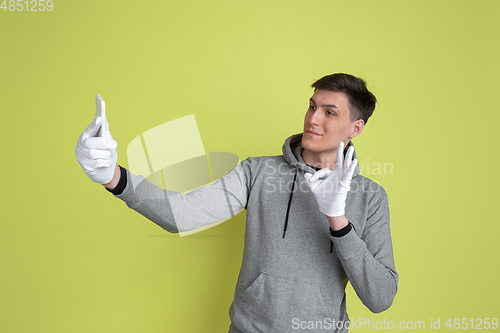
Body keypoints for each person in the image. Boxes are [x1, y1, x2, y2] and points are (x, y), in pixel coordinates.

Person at [75, 73, 398, 332]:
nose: (313, 119)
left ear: (356, 127)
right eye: (312, 106)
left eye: (330, 112)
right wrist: (113, 176)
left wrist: (337, 219)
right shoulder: (258, 171)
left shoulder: (370, 196)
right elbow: (183, 215)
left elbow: (380, 297)